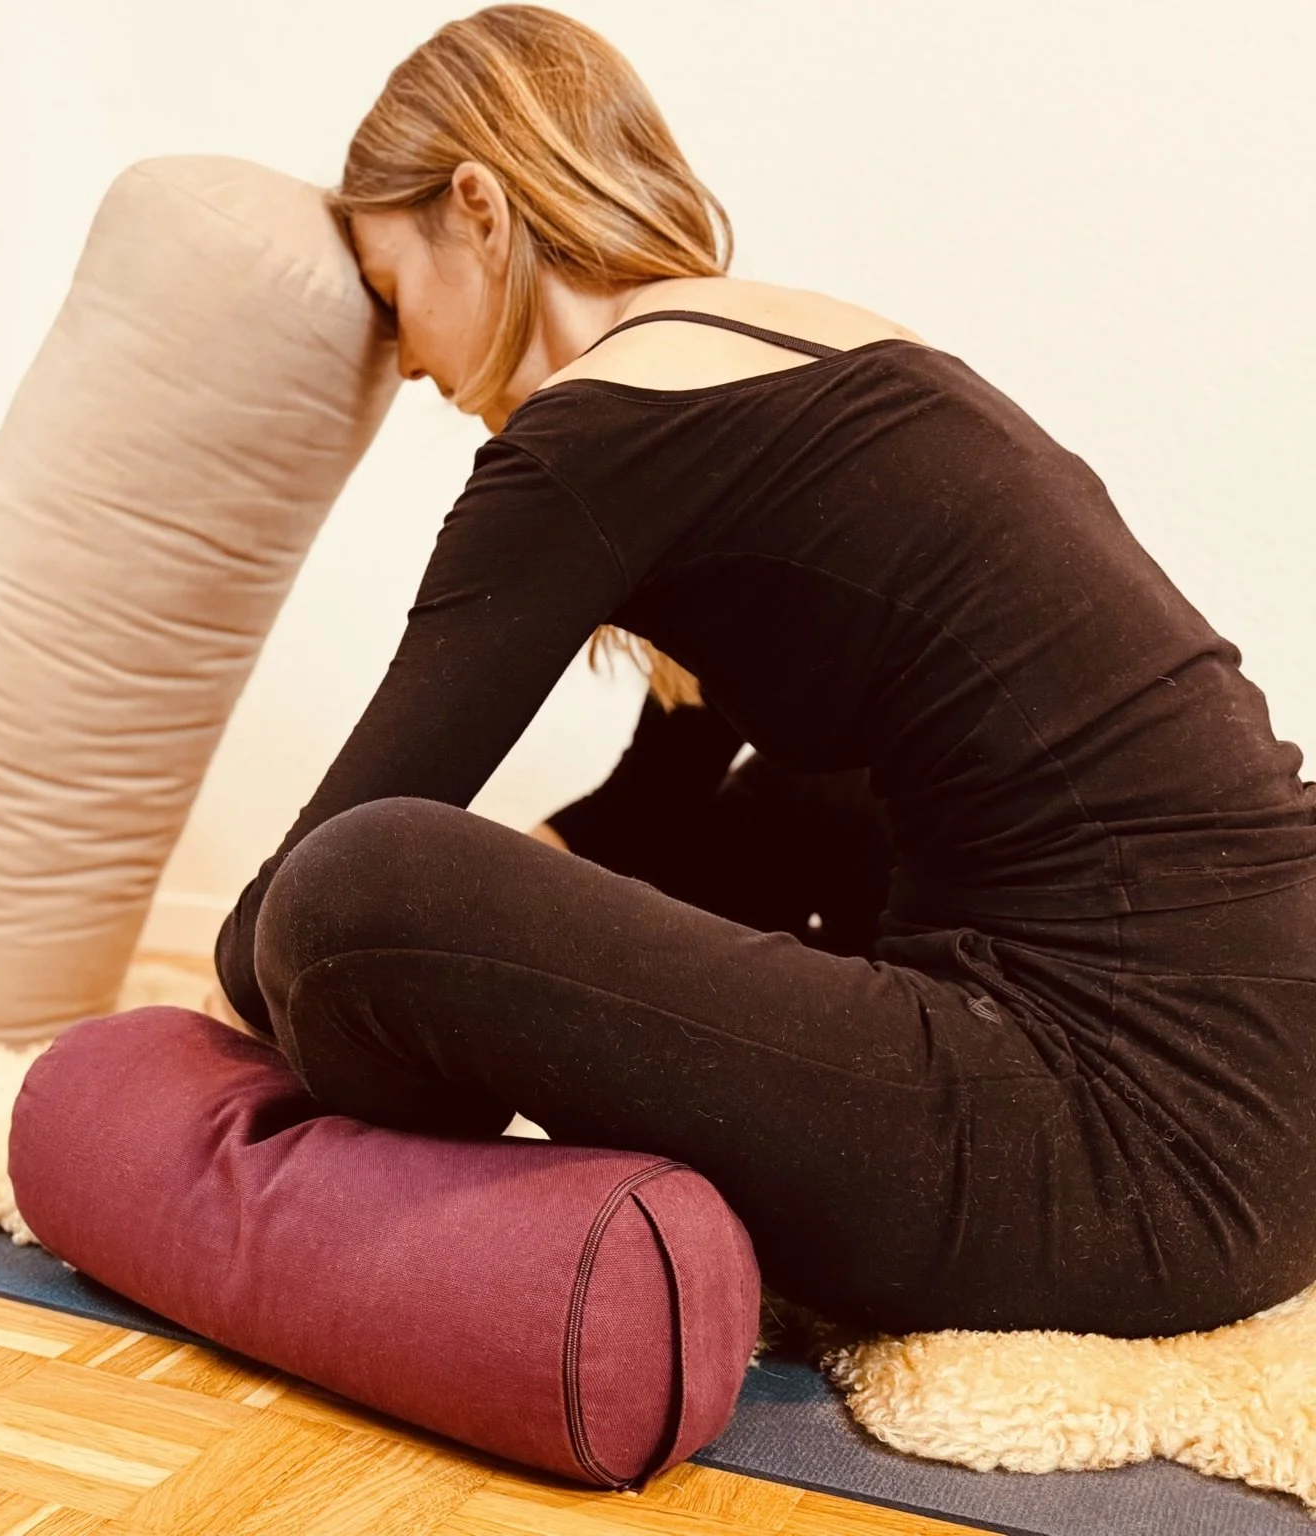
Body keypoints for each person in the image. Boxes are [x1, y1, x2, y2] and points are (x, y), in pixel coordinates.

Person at [213, 3, 1316, 1339]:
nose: (414, 367)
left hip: (1135, 1149)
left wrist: (322, 973)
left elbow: (295, 909)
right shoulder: (796, 348)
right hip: (1272, 1083)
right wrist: (535, 926)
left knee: (351, 898)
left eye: (396, 300)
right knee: (797, 804)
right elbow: (659, 818)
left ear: (482, 209)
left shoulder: (587, 442)